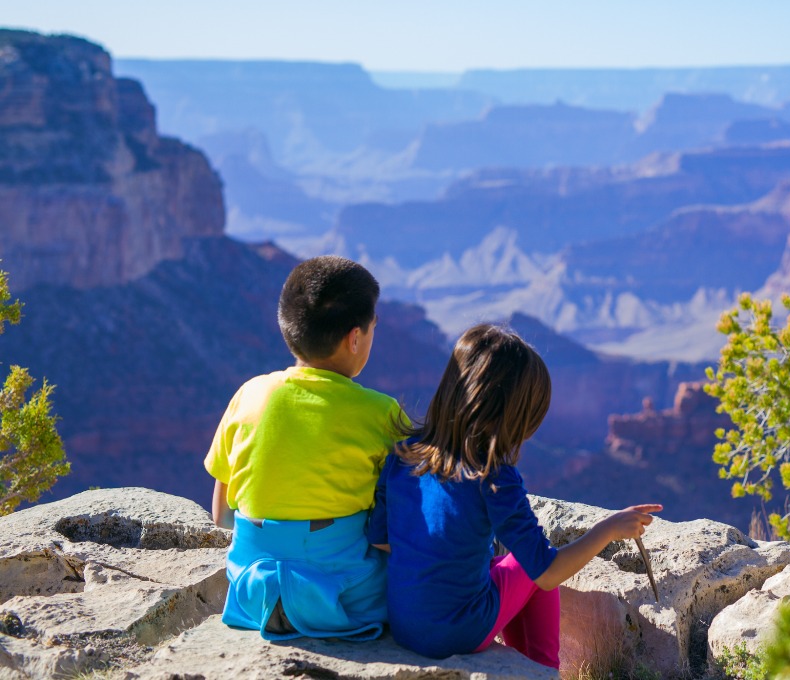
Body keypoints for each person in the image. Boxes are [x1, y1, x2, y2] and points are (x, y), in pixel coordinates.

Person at [367, 323, 660, 669]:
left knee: (501, 565)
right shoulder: (493, 477)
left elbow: (383, 542)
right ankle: (542, 669)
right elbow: (547, 572)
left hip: (405, 626)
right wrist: (609, 528)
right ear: (514, 414)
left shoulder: (403, 455)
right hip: (459, 632)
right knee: (529, 562)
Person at [204, 255, 407, 641]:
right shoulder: (382, 413)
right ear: (355, 337)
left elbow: (221, 514)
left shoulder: (249, 395)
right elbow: (405, 519)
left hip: (253, 594)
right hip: (347, 601)